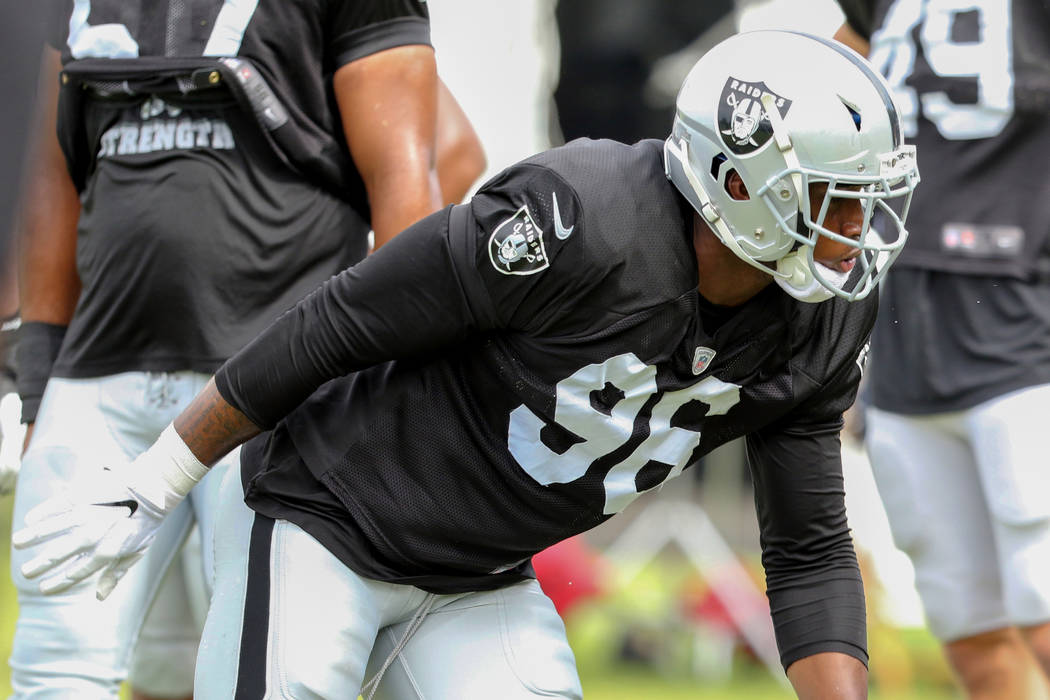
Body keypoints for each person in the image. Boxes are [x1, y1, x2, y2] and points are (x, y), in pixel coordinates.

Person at [13, 29, 920, 699]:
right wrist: (162, 476)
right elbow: (342, 320)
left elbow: (807, 550)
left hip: (478, 574)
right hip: (322, 518)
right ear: (736, 181)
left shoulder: (821, 317)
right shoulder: (582, 218)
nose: (858, 235)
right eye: (837, 202)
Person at [8, 1, 484, 698]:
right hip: (101, 372)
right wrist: (34, 382)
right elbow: (49, 181)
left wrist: (391, 386)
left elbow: (421, 169)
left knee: (263, 672)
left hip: (272, 385)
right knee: (57, 672)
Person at [832, 3, 1050, 699]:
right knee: (973, 636)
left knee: (1045, 614)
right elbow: (820, 100)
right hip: (903, 340)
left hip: (1027, 327)